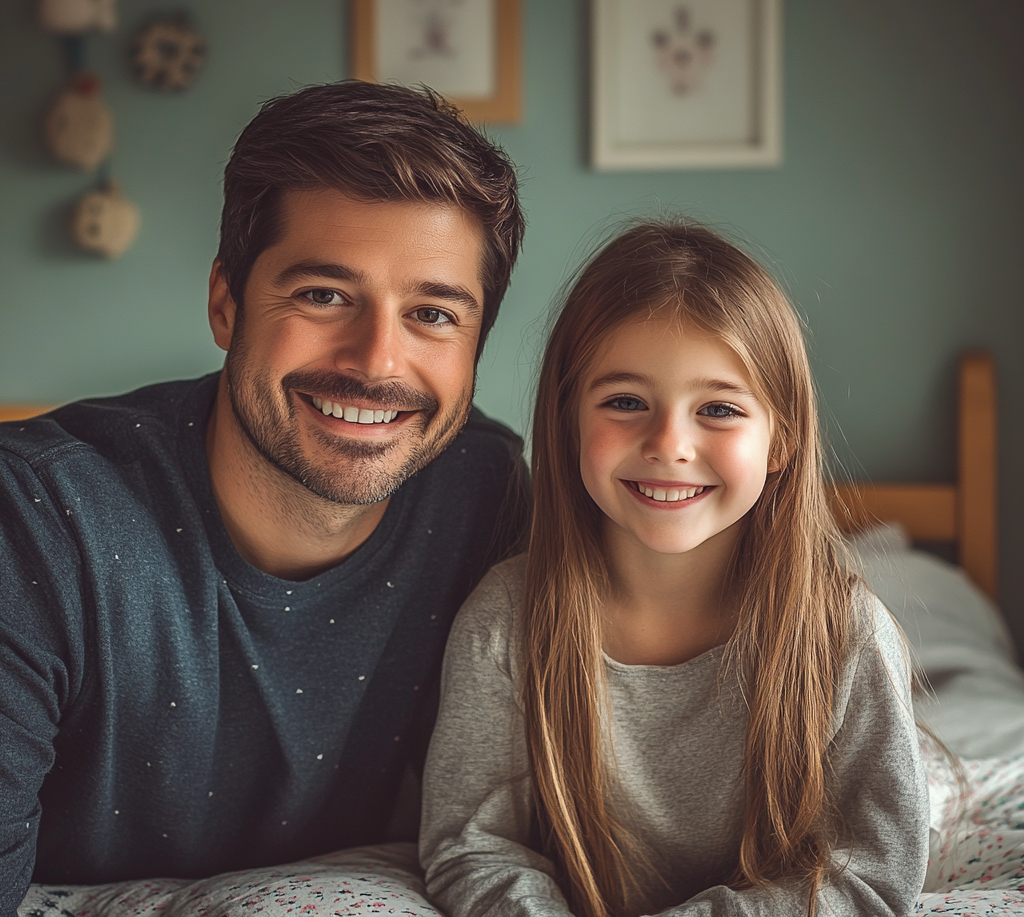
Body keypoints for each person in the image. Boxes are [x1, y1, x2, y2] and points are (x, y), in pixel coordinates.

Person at [0, 81, 529, 917]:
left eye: (432, 314)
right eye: (324, 295)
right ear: (225, 301)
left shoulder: (488, 496)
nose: (378, 361)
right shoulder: (35, 518)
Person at [420, 221, 930, 917]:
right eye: (625, 402)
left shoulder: (844, 635)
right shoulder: (506, 621)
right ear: (569, 419)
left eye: (718, 409)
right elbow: (473, 847)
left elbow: (870, 874)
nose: (668, 444)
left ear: (780, 440)